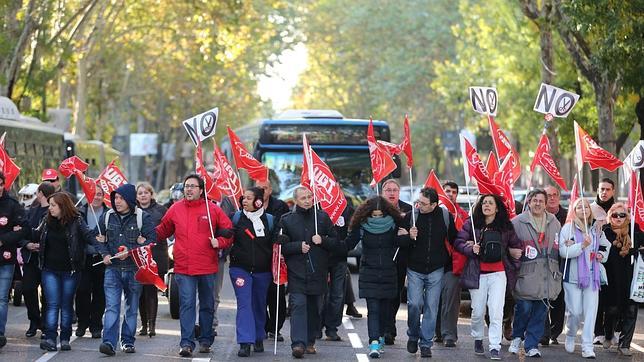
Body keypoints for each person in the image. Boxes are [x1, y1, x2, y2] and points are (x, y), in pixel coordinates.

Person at [156, 175, 233, 357]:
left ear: (201, 190)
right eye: (186, 186)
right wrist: (144, 233)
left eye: (193, 186)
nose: (188, 190)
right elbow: (162, 230)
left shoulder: (212, 209)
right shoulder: (175, 208)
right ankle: (186, 343)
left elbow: (229, 231)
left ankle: (206, 339)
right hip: (183, 267)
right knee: (187, 305)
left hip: (207, 267)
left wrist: (220, 241)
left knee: (207, 305)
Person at [455, 194, 521, 360]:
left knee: (496, 311)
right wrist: (470, 249)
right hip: (477, 274)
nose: (487, 205)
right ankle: (478, 338)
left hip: (499, 274)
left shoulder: (506, 226)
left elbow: (516, 246)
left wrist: (514, 253)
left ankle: (494, 346)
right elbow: (458, 242)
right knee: (477, 311)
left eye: (490, 203)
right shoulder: (471, 223)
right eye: (484, 203)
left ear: (497, 208)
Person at [277, 186, 340, 358]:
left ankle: (310, 340)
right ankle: (298, 344)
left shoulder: (322, 217)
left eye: (309, 197)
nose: (307, 200)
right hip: (297, 272)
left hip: (318, 272)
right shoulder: (286, 219)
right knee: (298, 305)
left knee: (314, 308)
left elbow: (336, 243)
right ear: (296, 200)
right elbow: (280, 245)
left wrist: (323, 240)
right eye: (303, 198)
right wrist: (297, 246)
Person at [30, 192, 97, 352]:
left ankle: (65, 338)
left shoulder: (77, 221)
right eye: (50, 205)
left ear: (62, 206)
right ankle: (51, 338)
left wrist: (105, 247)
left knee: (66, 305)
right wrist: (22, 230)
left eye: (53, 205)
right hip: (49, 270)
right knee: (52, 304)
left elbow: (89, 237)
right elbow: (35, 234)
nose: (50, 208)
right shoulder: (46, 221)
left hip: (71, 271)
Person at [96, 184, 156, 356]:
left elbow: (152, 239)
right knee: (112, 307)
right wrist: (104, 253)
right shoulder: (107, 216)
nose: (117, 201)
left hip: (134, 270)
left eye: (121, 198)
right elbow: (97, 238)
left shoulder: (143, 217)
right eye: (115, 198)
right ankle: (108, 342)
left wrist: (132, 251)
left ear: (130, 199)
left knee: (131, 307)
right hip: (112, 270)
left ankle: (128, 341)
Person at [345, 196, 409, 358]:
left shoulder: (395, 224)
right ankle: (374, 342)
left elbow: (403, 244)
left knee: (385, 310)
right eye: (374, 215)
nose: (377, 218)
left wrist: (408, 236)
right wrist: (327, 242)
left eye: (380, 215)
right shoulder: (361, 225)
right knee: (373, 310)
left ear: (386, 212)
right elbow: (346, 245)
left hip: (389, 272)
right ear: (368, 213)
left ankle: (379, 337)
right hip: (369, 272)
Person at [401, 187, 457, 358]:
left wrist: (469, 242)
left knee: (431, 308)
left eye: (424, 204)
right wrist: (409, 236)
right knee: (415, 304)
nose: (419, 205)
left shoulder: (445, 217)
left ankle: (426, 344)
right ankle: (413, 335)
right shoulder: (412, 216)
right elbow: (400, 240)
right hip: (415, 269)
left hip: (436, 269)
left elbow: (455, 239)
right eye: (418, 201)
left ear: (434, 205)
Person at [509, 189, 562, 358]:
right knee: (523, 309)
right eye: (535, 200)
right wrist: (510, 250)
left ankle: (531, 344)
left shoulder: (555, 222)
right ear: (529, 202)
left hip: (548, 276)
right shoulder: (517, 222)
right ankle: (517, 337)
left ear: (546, 204)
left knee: (540, 313)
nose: (538, 203)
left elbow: (559, 245)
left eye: (541, 201)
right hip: (526, 274)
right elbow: (506, 243)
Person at [559, 198, 610, 359]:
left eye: (586, 207)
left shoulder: (596, 229)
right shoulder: (568, 229)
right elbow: (563, 252)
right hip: (572, 278)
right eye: (579, 207)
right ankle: (571, 334)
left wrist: (601, 254)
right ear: (575, 211)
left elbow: (605, 246)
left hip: (592, 277)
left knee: (590, 313)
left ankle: (587, 346)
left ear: (590, 210)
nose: (583, 209)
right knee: (574, 311)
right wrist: (581, 245)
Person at [229, 187, 276, 357]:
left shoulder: (269, 220)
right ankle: (244, 342)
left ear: (258, 201)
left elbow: (275, 242)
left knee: (259, 303)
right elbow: (227, 236)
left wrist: (280, 239)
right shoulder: (236, 218)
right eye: (244, 198)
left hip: (263, 271)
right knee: (244, 303)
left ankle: (258, 337)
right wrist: (225, 234)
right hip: (239, 269)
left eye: (249, 198)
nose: (244, 201)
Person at [601, 203, 643, 356]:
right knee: (612, 310)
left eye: (622, 215)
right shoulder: (604, 231)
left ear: (628, 216)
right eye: (615, 215)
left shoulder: (635, 230)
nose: (618, 218)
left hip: (631, 278)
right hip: (611, 278)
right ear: (609, 216)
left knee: (631, 310)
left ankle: (625, 344)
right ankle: (608, 334)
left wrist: (638, 250)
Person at [434, 181, 468, 347]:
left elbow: (466, 237)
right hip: (433, 263)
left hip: (453, 264)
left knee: (451, 300)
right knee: (434, 299)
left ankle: (449, 335)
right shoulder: (432, 212)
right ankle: (437, 332)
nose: (450, 194)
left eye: (454, 192)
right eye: (447, 191)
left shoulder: (463, 215)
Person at [255, 178, 290, 342]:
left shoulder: (280, 206)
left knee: (277, 294)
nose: (262, 191)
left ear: (270, 190)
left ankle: (275, 328)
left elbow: (284, 225)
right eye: (259, 188)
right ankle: (263, 325)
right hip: (257, 256)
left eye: (265, 188)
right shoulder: (249, 204)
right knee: (259, 294)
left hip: (275, 255)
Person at [20, 182, 55, 338]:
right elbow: (22, 233)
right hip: (30, 258)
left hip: (47, 259)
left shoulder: (53, 212)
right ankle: (35, 321)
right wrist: (27, 244)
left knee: (47, 294)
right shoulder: (31, 211)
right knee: (27, 289)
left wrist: (41, 245)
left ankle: (47, 325)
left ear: (40, 193)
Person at [380, 178, 412, 345]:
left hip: (400, 259)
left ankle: (389, 327)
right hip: (381, 258)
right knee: (382, 295)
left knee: (395, 294)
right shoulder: (375, 208)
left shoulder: (409, 209)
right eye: (388, 190)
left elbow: (412, 234)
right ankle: (384, 329)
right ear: (382, 192)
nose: (392, 193)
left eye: (394, 190)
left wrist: (406, 234)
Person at [75, 185, 109, 339]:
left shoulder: (109, 214)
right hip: (83, 259)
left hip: (102, 260)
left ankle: (96, 325)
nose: (97, 197)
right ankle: (82, 323)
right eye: (94, 194)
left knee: (99, 293)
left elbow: (115, 235)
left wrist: (106, 240)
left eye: (100, 194)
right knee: (82, 291)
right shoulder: (79, 212)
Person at [135, 182, 168, 338]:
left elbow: (167, 229)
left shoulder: (161, 210)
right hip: (138, 257)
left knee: (151, 291)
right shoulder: (132, 211)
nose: (143, 195)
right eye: (140, 193)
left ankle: (152, 325)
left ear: (151, 194)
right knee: (140, 292)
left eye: (145, 192)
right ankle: (144, 324)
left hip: (156, 255)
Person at [0, 172, 27, 349]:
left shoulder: (12, 205)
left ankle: (0, 334)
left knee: (2, 299)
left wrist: (4, 239)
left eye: (0, 184)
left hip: (6, 259)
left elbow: (23, 229)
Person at [589, 178, 615, 346]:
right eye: (601, 189)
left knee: (612, 300)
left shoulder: (619, 209)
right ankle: (597, 333)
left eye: (607, 189)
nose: (604, 192)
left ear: (613, 191)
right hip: (594, 262)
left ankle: (610, 332)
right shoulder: (589, 209)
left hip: (614, 262)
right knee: (596, 299)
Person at [541, 186, 568, 345]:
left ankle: (555, 331)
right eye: (548, 195)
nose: (551, 198)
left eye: (554, 195)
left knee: (559, 300)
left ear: (559, 197)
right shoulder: (538, 215)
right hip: (542, 264)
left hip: (561, 264)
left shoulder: (567, 215)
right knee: (542, 298)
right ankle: (543, 333)